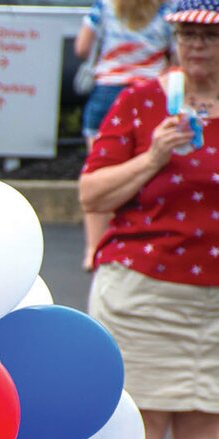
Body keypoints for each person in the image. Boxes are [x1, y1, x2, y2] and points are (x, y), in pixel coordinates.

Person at [79, 0, 219, 439]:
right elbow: (92, 190)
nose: (197, 48)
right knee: (141, 433)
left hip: (212, 297)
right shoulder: (142, 100)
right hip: (141, 290)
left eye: (210, 38)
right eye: (187, 34)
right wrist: (155, 155)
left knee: (204, 434)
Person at [75, 0, 172, 270]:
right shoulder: (166, 9)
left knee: (100, 171)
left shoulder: (103, 7)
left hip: (107, 92)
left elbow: (82, 47)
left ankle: (93, 248)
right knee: (143, 171)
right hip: (151, 96)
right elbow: (175, 55)